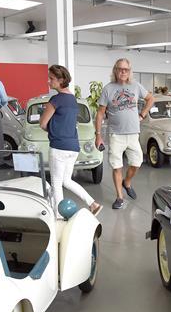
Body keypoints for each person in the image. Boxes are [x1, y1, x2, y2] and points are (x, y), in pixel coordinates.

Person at [39, 65, 102, 218]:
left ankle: (59, 216)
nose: (48, 81)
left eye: (51, 79)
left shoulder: (55, 100)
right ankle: (93, 204)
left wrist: (54, 131)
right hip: (73, 147)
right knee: (66, 181)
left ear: (61, 80)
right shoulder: (73, 99)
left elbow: (42, 123)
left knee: (56, 184)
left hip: (59, 147)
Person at [96, 58, 154, 210]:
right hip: (116, 135)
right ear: (115, 70)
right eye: (120, 69)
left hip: (133, 134)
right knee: (117, 166)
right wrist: (98, 135)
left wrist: (142, 114)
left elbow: (150, 98)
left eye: (126, 69)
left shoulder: (136, 86)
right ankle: (119, 197)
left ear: (129, 71)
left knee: (136, 163)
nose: (123, 72)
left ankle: (127, 182)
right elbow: (100, 113)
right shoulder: (108, 89)